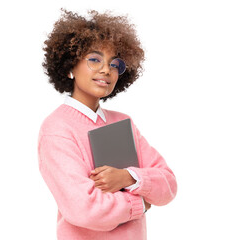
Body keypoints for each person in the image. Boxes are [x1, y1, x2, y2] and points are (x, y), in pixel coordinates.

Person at [38, 9, 177, 240]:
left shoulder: (123, 122)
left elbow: (168, 184)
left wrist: (129, 177)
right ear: (70, 66)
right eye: (94, 59)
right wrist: (139, 204)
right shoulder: (56, 129)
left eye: (114, 64)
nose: (106, 69)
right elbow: (84, 208)